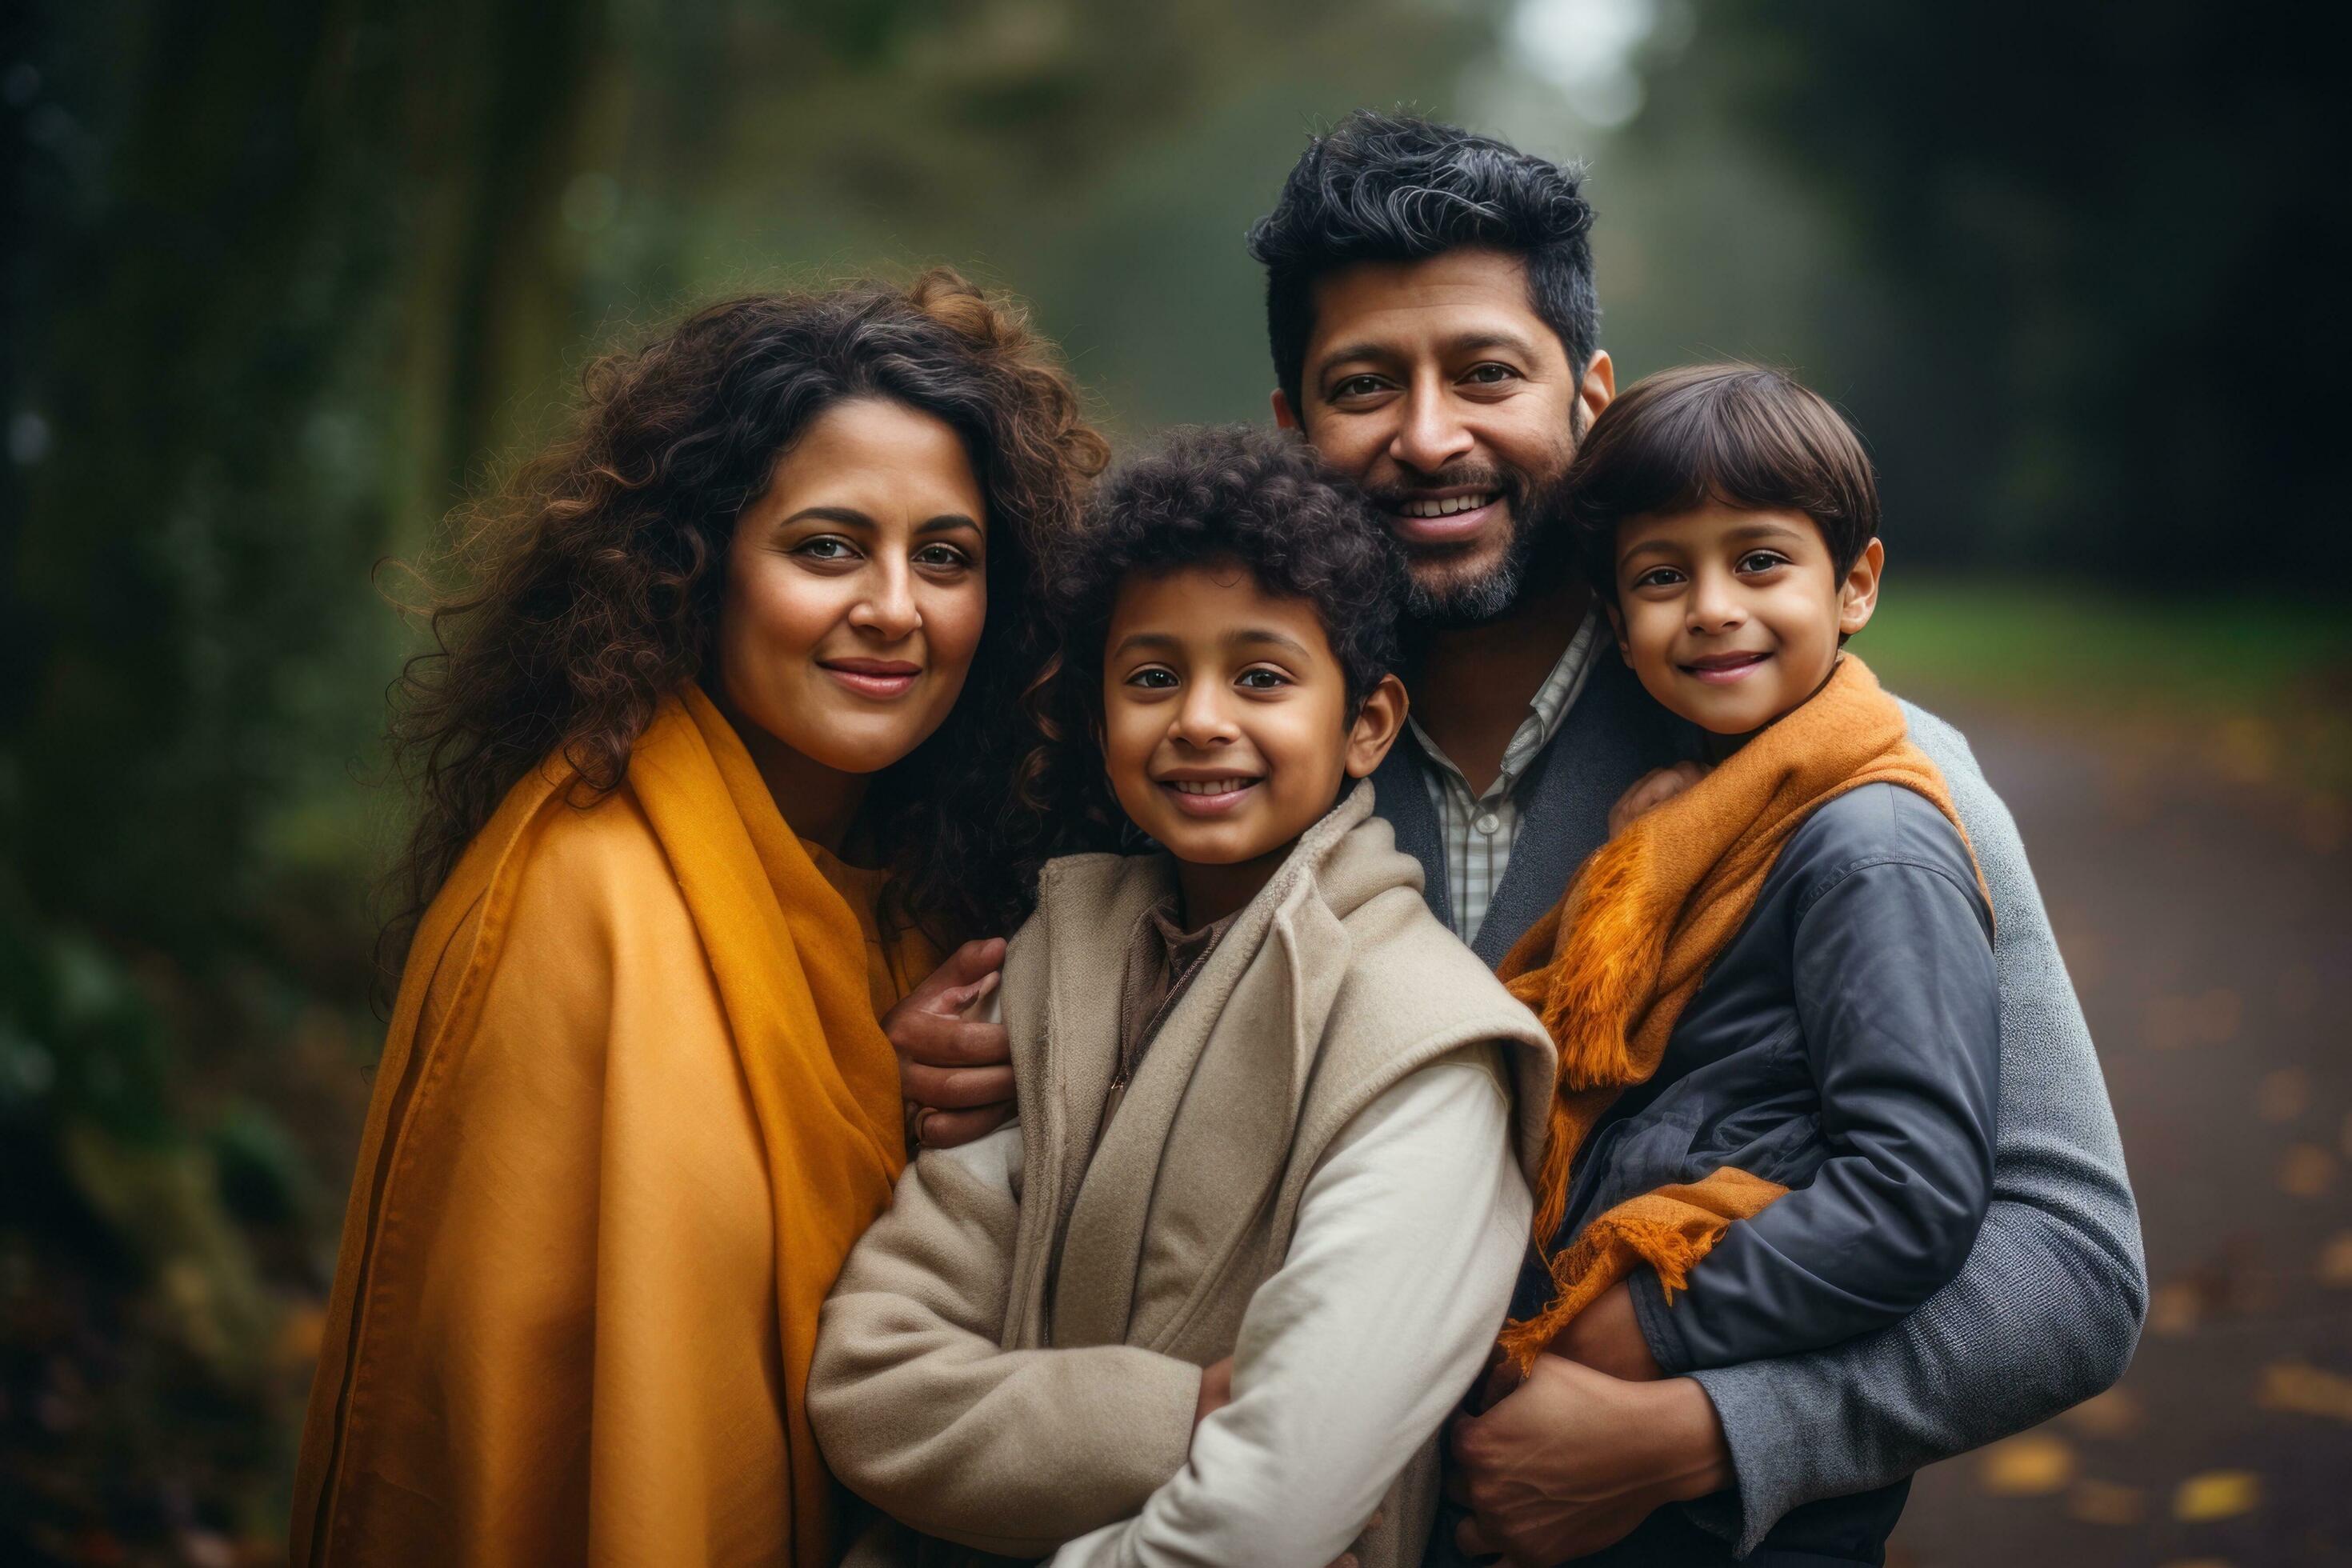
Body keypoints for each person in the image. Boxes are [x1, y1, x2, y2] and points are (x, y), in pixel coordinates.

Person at [890, 113, 2146, 1566]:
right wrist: (964, 1037)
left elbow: (2070, 1265)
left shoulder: (1855, 779)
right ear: (1295, 426)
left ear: (1591, 397)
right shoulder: (1187, 765)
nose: (1431, 440)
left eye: (1487, 374)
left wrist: (1720, 1437)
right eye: (1365, 386)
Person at [288, 270, 1106, 1568]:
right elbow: (517, 1431)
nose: (895, 607)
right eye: (828, 547)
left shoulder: (931, 892)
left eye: (944, 558)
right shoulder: (585, 897)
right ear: (694, 563)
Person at [806, 426, 1557, 1568]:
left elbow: (1274, 1507)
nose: (1200, 719)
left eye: (1260, 676)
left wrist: (1026, 1426)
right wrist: (1172, 1418)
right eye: (1153, 676)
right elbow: (869, 1385)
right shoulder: (1053, 969)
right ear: (1102, 715)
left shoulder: (1425, 1041)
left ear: (1368, 725)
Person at [1476, 362, 2001, 1566]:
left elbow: (1913, 1190)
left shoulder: (1872, 843)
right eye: (1664, 577)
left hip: (1743, 1510)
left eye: (1759, 562)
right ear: (1618, 621)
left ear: (1855, 583)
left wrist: (1642, 1326)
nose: (1712, 607)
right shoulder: (1694, 823)